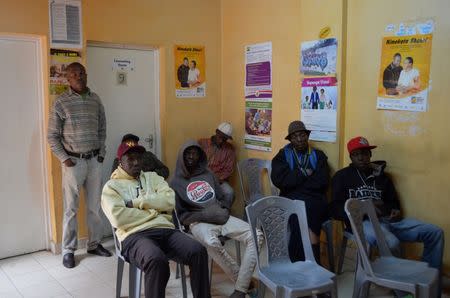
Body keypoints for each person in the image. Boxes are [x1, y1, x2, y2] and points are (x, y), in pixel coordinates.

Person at [101, 141, 210, 298]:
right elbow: (119, 218)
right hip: (134, 236)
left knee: (198, 251)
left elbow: (169, 200)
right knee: (156, 260)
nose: (136, 162)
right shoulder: (112, 187)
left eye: (139, 157)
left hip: (166, 230)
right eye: (130, 158)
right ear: (120, 162)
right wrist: (154, 211)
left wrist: (136, 204)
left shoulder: (153, 177)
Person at [330, 136, 444, 284]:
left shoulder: (382, 177)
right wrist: (360, 211)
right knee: (393, 243)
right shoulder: (342, 177)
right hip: (363, 224)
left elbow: (393, 202)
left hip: (388, 221)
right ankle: (403, 288)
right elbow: (334, 208)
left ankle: (428, 282)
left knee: (434, 232)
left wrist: (395, 210)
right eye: (356, 154)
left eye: (365, 153)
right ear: (351, 157)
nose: (362, 158)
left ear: (370, 155)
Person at [170, 141, 260, 298]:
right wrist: (203, 215)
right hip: (198, 222)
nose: (191, 156)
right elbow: (181, 216)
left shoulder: (208, 174)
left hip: (220, 217)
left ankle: (240, 288)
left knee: (257, 235)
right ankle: (244, 281)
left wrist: (222, 209)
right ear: (181, 156)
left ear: (200, 155)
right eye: (187, 153)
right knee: (211, 242)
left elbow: (222, 195)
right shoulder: (175, 183)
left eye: (195, 153)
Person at [47, 62, 111, 268]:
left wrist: (101, 153)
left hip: (94, 161)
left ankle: (94, 244)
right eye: (74, 74)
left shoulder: (95, 99)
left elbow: (102, 128)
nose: (79, 76)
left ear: (86, 74)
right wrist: (65, 159)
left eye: (81, 73)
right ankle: (68, 250)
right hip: (73, 162)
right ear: (67, 78)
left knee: (94, 206)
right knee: (71, 209)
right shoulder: (61, 102)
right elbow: (52, 136)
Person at [271, 121, 329, 264]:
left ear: (307, 136)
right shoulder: (283, 155)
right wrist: (304, 173)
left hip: (314, 197)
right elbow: (279, 180)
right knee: (299, 212)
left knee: (308, 210)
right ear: (290, 139)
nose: (299, 139)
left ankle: (299, 261)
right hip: (290, 198)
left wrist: (294, 180)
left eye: (302, 135)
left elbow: (323, 181)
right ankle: (312, 260)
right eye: (295, 136)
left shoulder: (318, 155)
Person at [198, 122, 236, 205]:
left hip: (218, 181)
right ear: (216, 132)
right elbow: (195, 163)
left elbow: (228, 170)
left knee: (229, 192)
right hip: (200, 178)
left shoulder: (230, 149)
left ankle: (224, 214)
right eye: (220, 137)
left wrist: (215, 180)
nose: (221, 141)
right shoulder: (202, 143)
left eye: (225, 139)